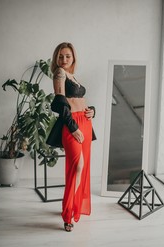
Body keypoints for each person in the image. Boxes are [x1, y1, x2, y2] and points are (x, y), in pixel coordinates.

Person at [47, 42, 96, 232]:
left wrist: (92, 111)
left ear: (73, 57)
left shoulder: (72, 76)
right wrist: (73, 126)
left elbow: (79, 101)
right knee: (78, 166)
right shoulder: (59, 73)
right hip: (72, 124)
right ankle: (67, 214)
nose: (64, 60)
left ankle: (73, 205)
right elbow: (60, 102)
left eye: (67, 56)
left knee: (81, 169)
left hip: (85, 121)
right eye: (60, 56)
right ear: (56, 58)